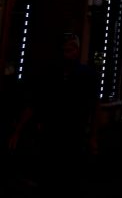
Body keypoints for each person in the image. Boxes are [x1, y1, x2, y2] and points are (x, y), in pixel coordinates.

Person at [6, 33, 99, 189]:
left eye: (70, 50)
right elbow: (35, 102)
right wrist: (18, 130)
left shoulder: (85, 75)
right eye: (64, 50)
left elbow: (94, 107)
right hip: (54, 134)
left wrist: (93, 137)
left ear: (76, 50)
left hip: (73, 135)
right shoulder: (53, 73)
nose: (67, 54)